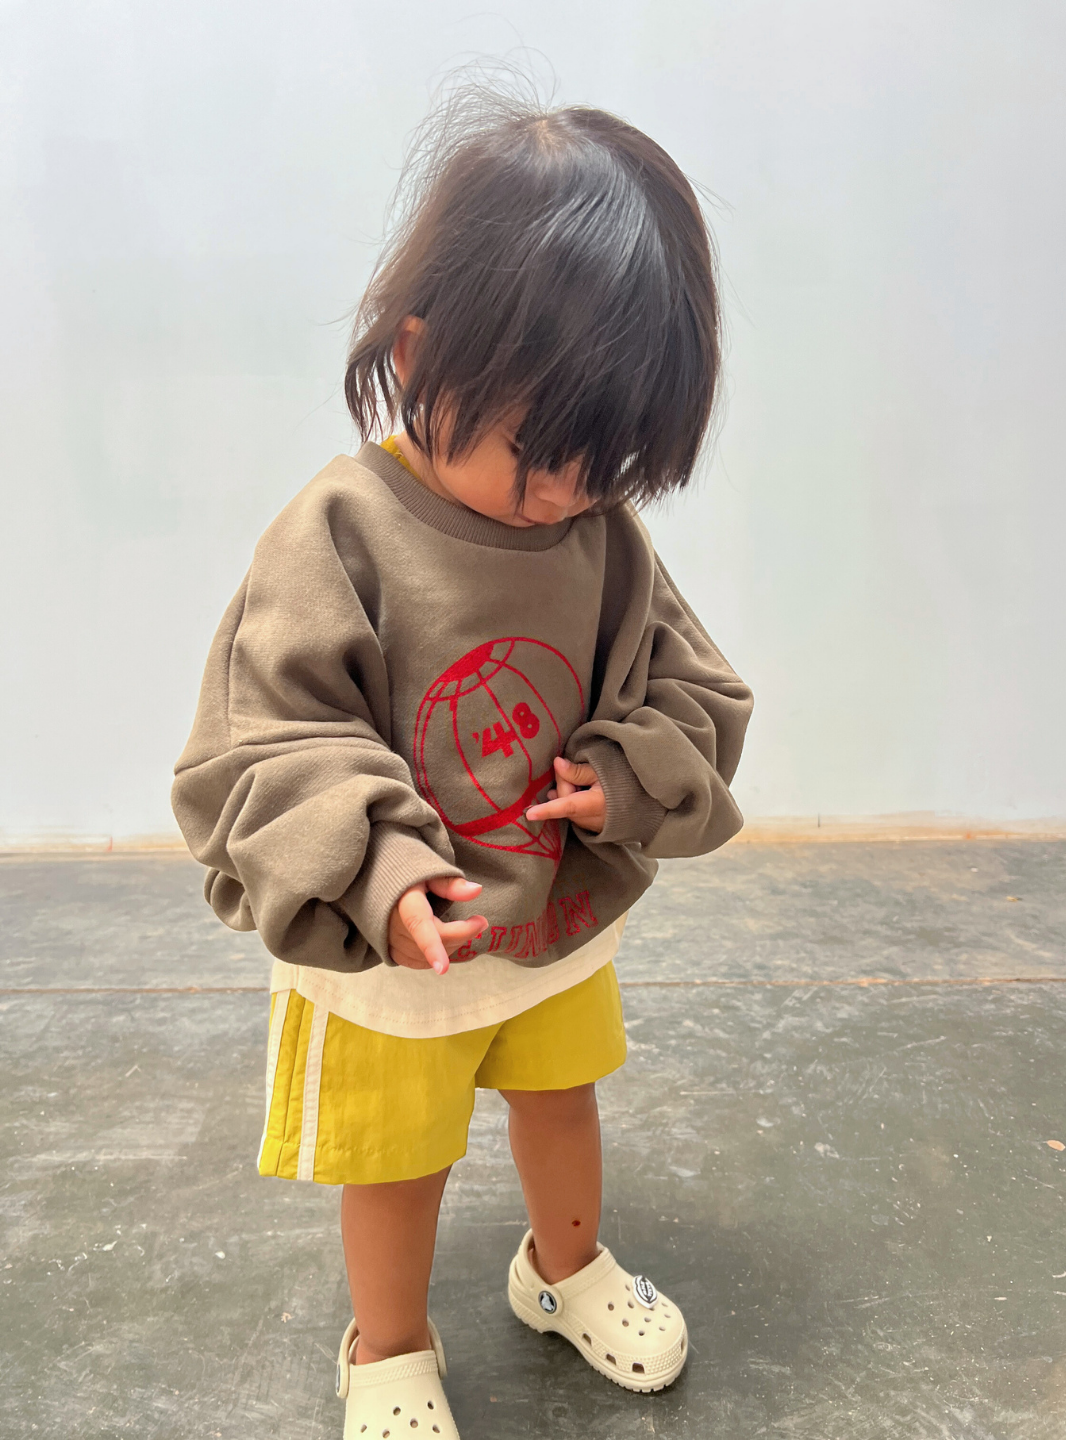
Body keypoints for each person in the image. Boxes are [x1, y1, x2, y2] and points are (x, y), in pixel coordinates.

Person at [172, 83, 752, 1440]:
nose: (566, 498)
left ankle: (563, 1269)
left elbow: (691, 681)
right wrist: (376, 870)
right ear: (424, 357)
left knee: (562, 1100)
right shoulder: (339, 531)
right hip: (400, 953)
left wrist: (627, 772)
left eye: (605, 467)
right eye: (538, 457)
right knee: (398, 1160)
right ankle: (388, 1345)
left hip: (550, 922)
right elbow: (268, 737)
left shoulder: (597, 533)